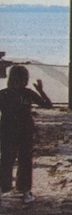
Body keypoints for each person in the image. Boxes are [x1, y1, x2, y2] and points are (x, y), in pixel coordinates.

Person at [0, 65, 53, 204]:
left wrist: (41, 91)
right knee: (9, 159)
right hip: (11, 130)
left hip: (21, 130)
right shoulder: (5, 94)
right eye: (22, 78)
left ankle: (21, 188)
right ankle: (7, 187)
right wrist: (41, 91)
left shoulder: (25, 93)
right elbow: (48, 105)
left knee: (20, 159)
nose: (23, 81)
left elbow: (48, 105)